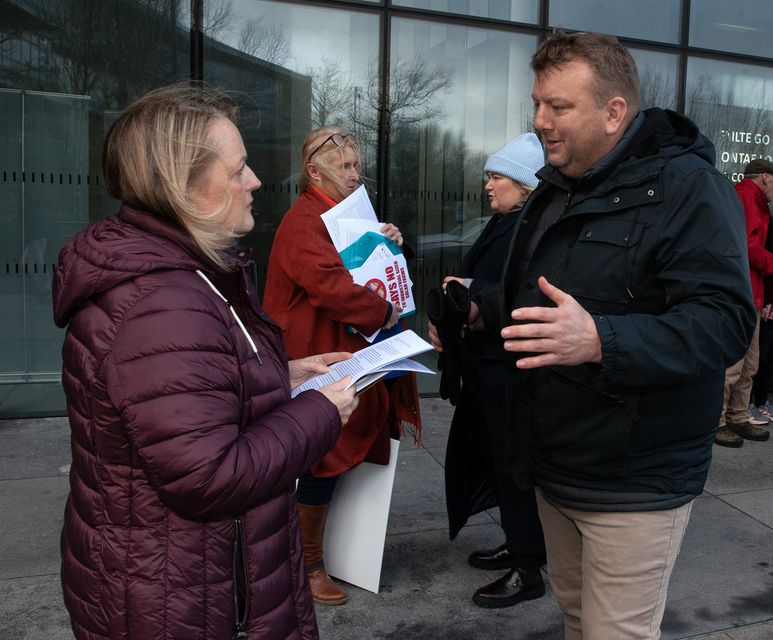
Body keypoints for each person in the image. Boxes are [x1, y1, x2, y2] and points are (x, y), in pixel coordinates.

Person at [431, 31, 755, 639]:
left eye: (558, 106)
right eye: (537, 104)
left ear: (614, 113)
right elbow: (542, 302)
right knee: (579, 623)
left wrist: (602, 340)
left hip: (636, 481)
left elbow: (724, 323)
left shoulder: (689, 188)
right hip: (556, 466)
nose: (540, 122)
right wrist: (480, 306)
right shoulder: (555, 188)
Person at [52, 84, 359, 640]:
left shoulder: (180, 277)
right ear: (180, 185)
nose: (255, 182)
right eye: (239, 169)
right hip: (186, 598)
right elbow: (207, 475)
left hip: (182, 581)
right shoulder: (163, 301)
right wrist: (320, 411)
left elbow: (188, 393)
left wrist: (281, 378)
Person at [263, 126, 421, 605]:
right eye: (346, 167)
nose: (356, 176)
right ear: (314, 172)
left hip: (339, 352)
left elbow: (365, 267)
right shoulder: (305, 219)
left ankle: (322, 558)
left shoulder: (341, 214)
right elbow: (330, 286)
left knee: (332, 450)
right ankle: (307, 566)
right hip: (313, 359)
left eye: (357, 166)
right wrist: (385, 312)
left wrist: (388, 241)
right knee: (320, 456)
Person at [437, 133, 547, 608]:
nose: (488, 184)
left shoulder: (529, 227)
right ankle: (519, 545)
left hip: (511, 373)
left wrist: (469, 287)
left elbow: (522, 291)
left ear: (524, 185)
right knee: (500, 465)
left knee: (514, 468)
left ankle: (529, 569)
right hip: (491, 368)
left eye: (497, 175)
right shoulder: (507, 222)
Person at [715, 159, 773, 447]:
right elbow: (747, 247)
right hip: (741, 293)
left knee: (750, 362)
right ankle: (719, 421)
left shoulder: (757, 200)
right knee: (734, 363)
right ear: (765, 177)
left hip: (753, 293)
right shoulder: (746, 196)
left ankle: (737, 416)